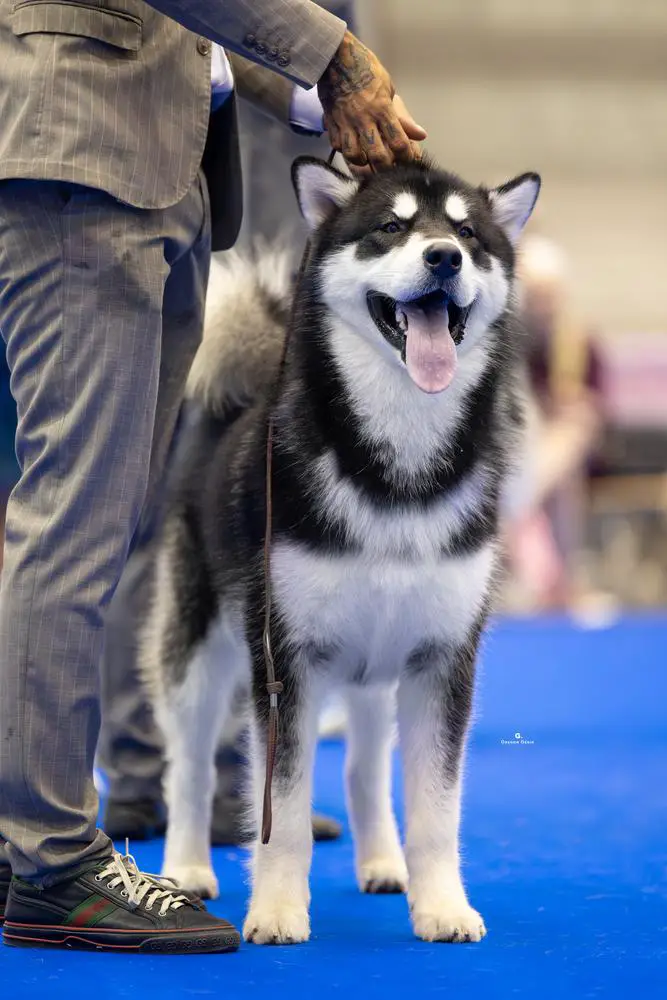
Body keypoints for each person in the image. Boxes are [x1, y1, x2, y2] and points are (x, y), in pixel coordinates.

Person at [0, 0, 425, 954]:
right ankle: (52, 858)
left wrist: (322, 94)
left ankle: (21, 836)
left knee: (78, 515)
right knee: (76, 518)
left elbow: (188, 33)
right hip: (88, 166)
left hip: (120, 167)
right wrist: (334, 53)